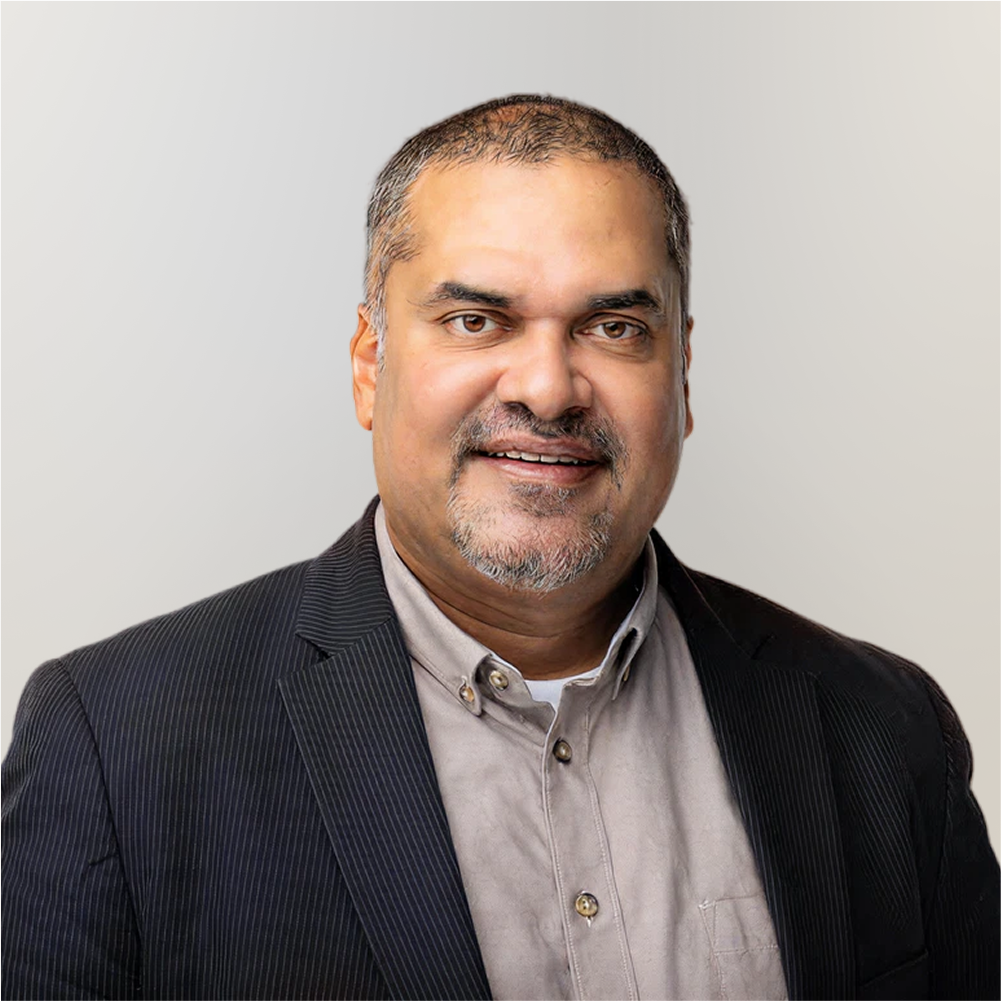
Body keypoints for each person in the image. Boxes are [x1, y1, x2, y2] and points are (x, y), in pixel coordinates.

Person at [3, 94, 999, 1001]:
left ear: (681, 374)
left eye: (614, 327)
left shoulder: (881, 725)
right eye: (476, 319)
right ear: (369, 363)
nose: (548, 388)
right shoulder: (115, 746)